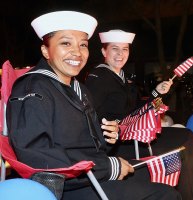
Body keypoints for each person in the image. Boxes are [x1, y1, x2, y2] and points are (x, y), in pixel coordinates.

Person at [5, 11, 182, 200]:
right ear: (45, 50)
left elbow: (86, 142)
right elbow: (37, 155)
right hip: (63, 186)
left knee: (170, 166)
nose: (77, 52)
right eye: (66, 43)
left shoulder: (77, 87)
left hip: (91, 171)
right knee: (166, 194)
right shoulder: (33, 87)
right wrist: (108, 167)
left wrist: (107, 136)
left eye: (83, 44)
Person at [85, 30, 193, 200]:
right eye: (114, 49)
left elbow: (136, 110)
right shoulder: (99, 77)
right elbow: (90, 115)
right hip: (117, 144)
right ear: (104, 51)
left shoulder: (122, 77)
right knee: (185, 140)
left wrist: (156, 93)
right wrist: (113, 125)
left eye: (125, 49)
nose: (120, 54)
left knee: (186, 136)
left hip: (135, 136)